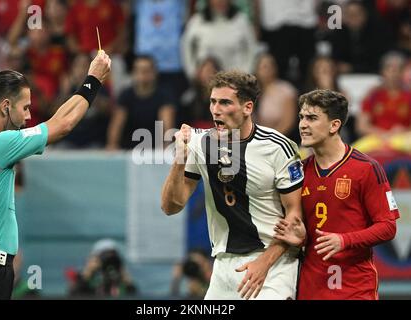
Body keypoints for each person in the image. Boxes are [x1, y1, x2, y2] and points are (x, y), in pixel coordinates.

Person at [0, 50, 111, 300]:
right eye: (26, 108)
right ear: (6, 107)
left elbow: (56, 120)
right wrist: (93, 80)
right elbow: (62, 125)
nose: (30, 116)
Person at [161, 70, 304, 300]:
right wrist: (180, 158)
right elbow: (171, 206)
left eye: (225, 102)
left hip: (273, 262)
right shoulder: (200, 144)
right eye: (213, 102)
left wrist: (264, 263)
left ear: (247, 108)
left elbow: (295, 215)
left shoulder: (278, 147)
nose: (216, 109)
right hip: (223, 265)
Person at [274, 89, 400, 299]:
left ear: (335, 125)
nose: (303, 125)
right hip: (310, 287)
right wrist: (299, 239)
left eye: (312, 118)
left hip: (355, 288)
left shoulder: (367, 168)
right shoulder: (298, 172)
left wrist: (344, 240)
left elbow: (388, 227)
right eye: (302, 117)